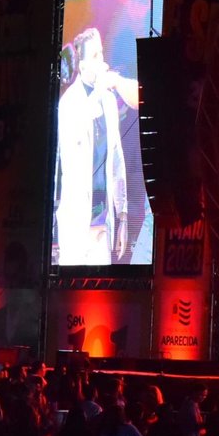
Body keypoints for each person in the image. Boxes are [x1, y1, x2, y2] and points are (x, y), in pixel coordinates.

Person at [53, 26, 132, 265]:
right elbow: (75, 147)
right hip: (76, 227)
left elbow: (116, 159)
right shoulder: (68, 103)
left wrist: (123, 215)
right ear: (83, 64)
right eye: (95, 56)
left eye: (102, 54)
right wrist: (98, 92)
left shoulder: (108, 101)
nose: (102, 61)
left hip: (102, 223)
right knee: (73, 295)